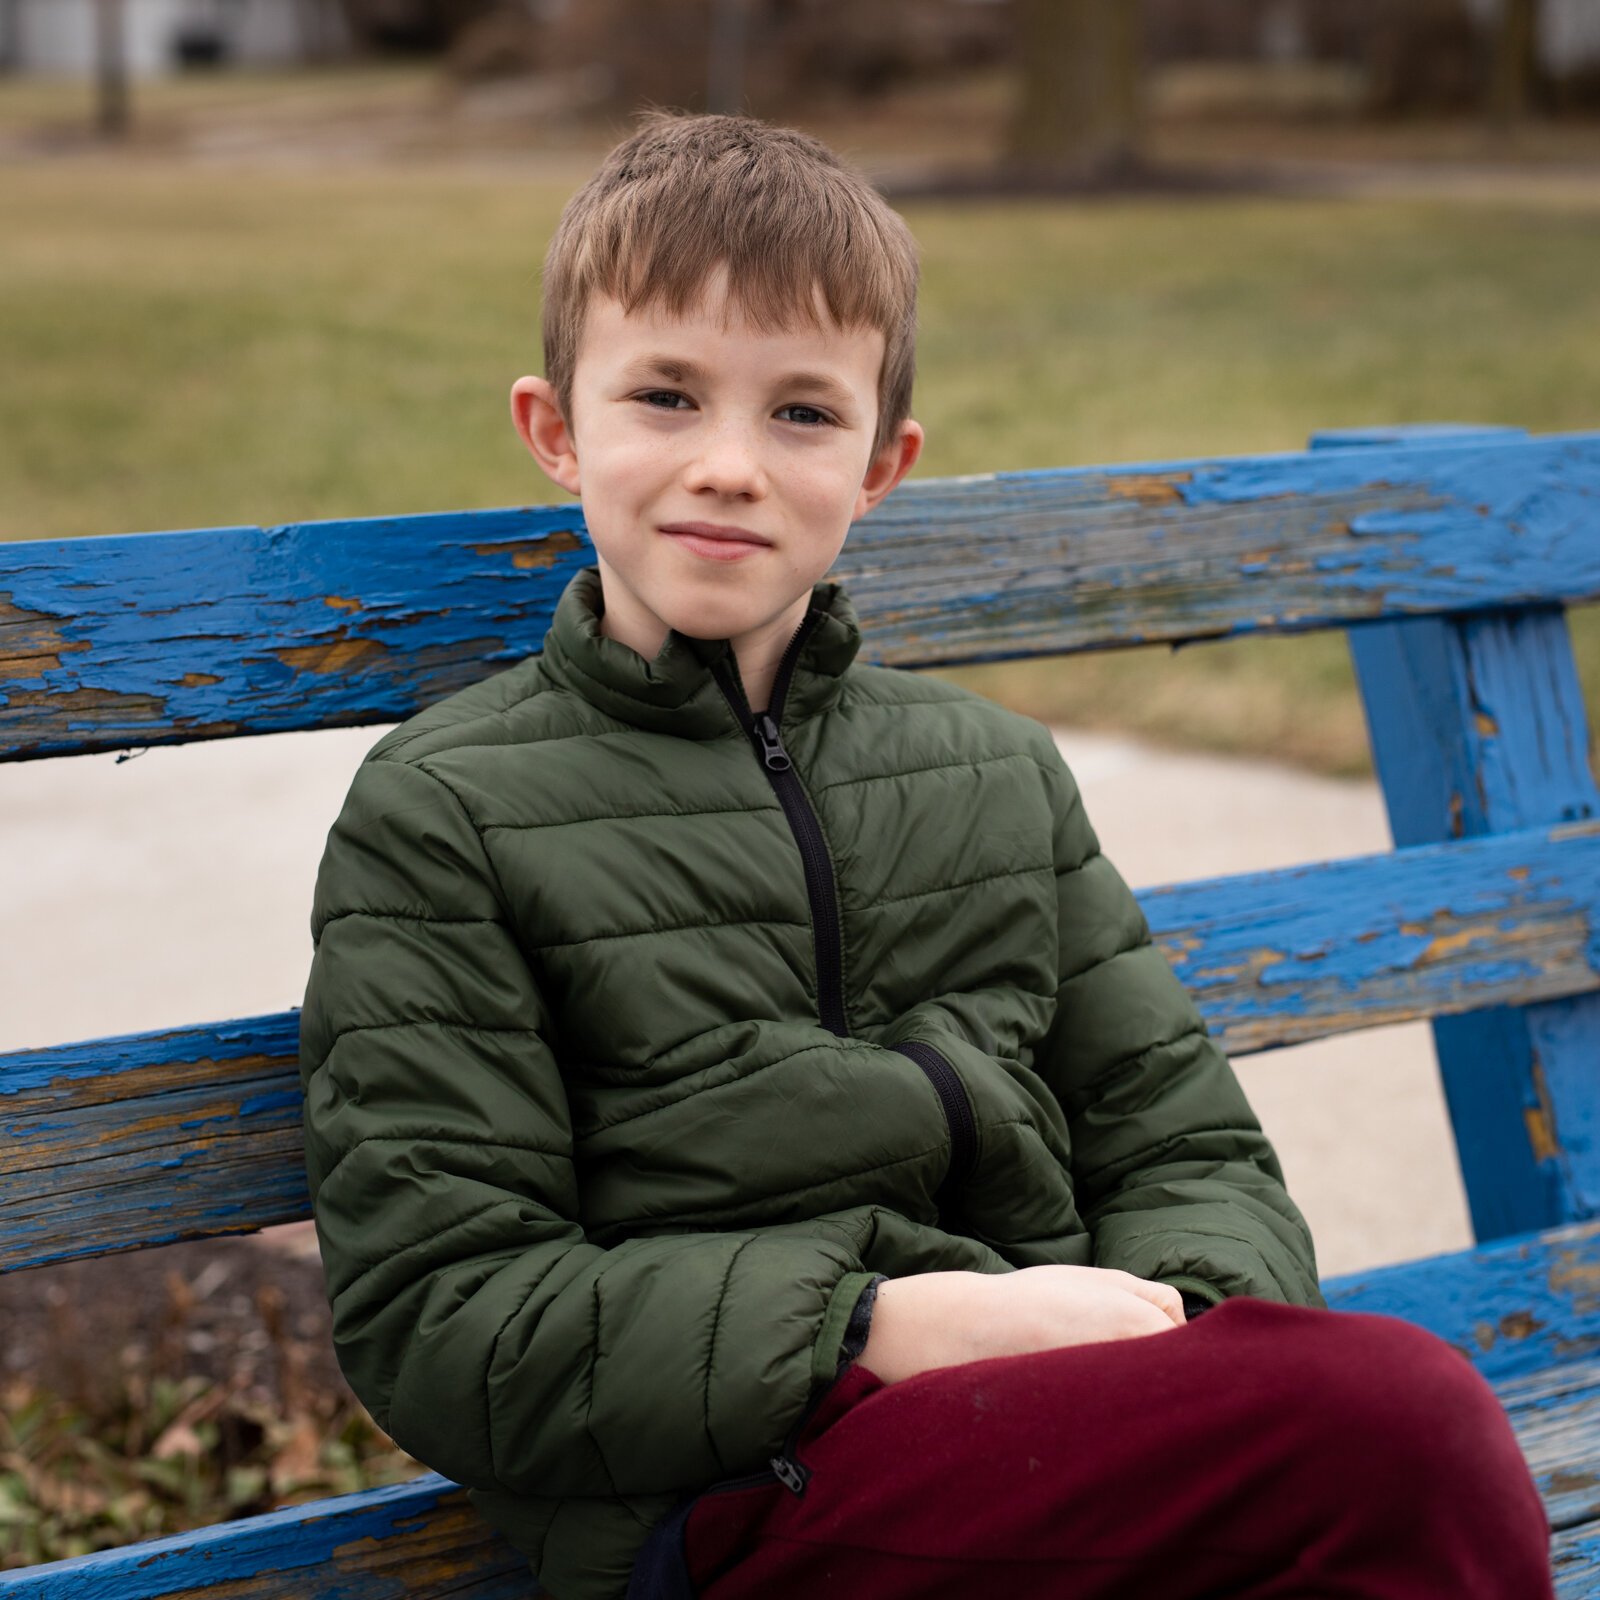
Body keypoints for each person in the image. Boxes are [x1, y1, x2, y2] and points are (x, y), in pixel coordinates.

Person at [297, 110, 1555, 1600]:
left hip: (1057, 1432)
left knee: (1373, 1446)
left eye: (801, 415)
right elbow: (446, 1313)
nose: (730, 467)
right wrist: (877, 1324)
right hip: (732, 1496)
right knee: (1409, 1426)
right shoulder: (448, 811)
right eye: (667, 396)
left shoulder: (995, 778)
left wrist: (1162, 1317)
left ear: (883, 462)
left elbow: (1188, 1149)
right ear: (557, 429)